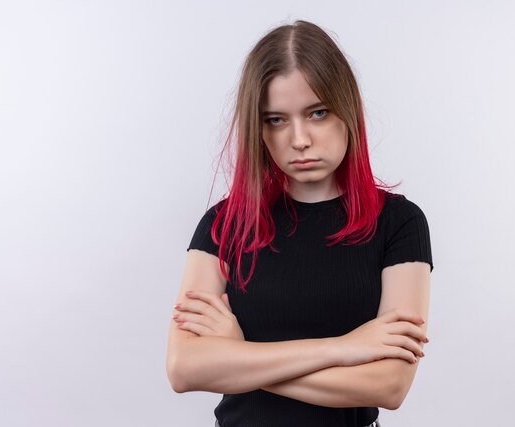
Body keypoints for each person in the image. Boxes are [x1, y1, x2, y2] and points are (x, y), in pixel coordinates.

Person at [166, 19, 434, 427]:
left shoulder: (400, 223)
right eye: (276, 119)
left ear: (347, 111)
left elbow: (390, 385)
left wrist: (241, 355)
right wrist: (343, 349)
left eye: (317, 113)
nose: (299, 139)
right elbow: (184, 368)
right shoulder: (224, 225)